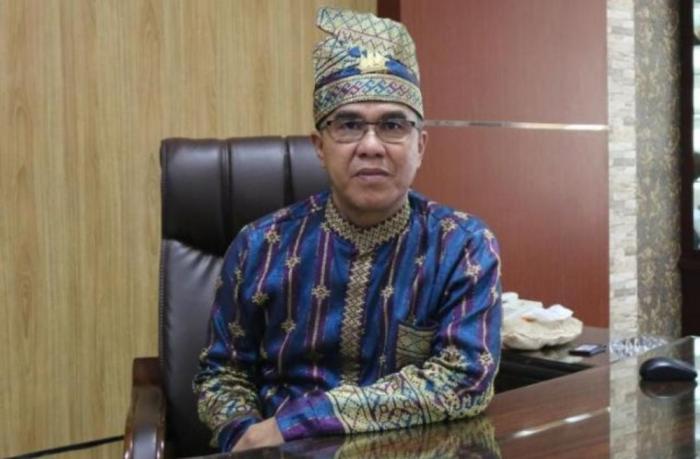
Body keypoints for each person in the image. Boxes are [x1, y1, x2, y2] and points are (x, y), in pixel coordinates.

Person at [193, 7, 502, 453]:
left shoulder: (462, 246)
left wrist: (299, 422)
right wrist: (245, 436)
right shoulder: (260, 245)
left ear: (420, 145)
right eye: (349, 125)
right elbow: (223, 372)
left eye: (393, 125)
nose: (371, 146)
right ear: (319, 146)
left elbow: (464, 379)